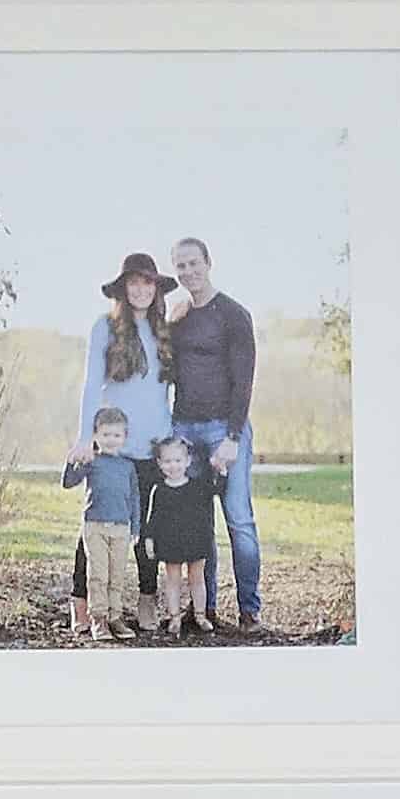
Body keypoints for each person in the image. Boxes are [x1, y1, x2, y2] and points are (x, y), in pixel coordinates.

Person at [67, 253, 175, 640]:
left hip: (154, 446)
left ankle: (147, 600)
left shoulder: (165, 331)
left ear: (157, 288)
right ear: (124, 289)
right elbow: (91, 383)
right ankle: (81, 606)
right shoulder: (105, 327)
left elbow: (167, 391)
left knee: (143, 529)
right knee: (96, 527)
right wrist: (85, 438)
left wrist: (172, 438)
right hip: (114, 448)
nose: (142, 290)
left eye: (149, 283)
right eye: (134, 283)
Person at [163, 235, 260, 633]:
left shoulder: (234, 314)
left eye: (193, 263)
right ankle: (207, 609)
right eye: (180, 266)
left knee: (238, 520)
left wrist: (232, 437)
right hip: (184, 428)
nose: (188, 271)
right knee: (200, 525)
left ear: (208, 262)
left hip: (224, 428)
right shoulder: (181, 318)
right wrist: (168, 326)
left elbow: (244, 381)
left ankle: (250, 611)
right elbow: (165, 369)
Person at [61, 407, 143, 643]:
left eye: (116, 435)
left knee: (117, 575)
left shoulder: (127, 466)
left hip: (121, 528)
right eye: (106, 434)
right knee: (98, 575)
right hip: (94, 526)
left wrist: (135, 528)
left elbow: (135, 499)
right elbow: (68, 482)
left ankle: (115, 616)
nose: (111, 440)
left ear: (124, 437)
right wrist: (72, 459)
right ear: (96, 435)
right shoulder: (92, 461)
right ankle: (98, 619)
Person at [144, 431, 218, 636]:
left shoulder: (197, 486)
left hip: (196, 539)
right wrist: (149, 539)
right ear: (159, 463)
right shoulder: (159, 489)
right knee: (173, 579)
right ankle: (175, 617)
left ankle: (200, 615)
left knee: (197, 578)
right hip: (170, 541)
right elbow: (154, 517)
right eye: (167, 461)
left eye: (177, 460)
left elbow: (218, 490)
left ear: (187, 461)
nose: (173, 465)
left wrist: (221, 471)